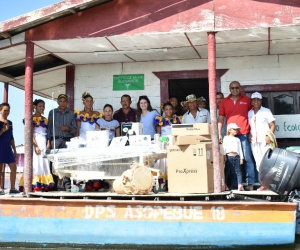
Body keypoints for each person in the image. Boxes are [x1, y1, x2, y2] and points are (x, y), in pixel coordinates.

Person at [218, 81, 256, 191]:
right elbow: (221, 118)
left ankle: (250, 183)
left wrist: (251, 133)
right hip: (230, 136)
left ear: (240, 88)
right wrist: (219, 133)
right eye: (232, 88)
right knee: (231, 160)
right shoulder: (224, 102)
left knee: (247, 159)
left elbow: (252, 117)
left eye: (237, 87)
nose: (235, 89)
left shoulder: (247, 100)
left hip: (244, 134)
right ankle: (235, 183)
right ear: (229, 89)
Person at [19, 99, 55, 192]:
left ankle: (44, 185)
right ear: (35, 107)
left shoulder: (45, 119)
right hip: (36, 142)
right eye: (40, 106)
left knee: (44, 163)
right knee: (36, 163)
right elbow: (30, 134)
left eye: (43, 106)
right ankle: (35, 185)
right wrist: (36, 146)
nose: (42, 108)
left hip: (43, 142)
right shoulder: (32, 118)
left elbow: (48, 133)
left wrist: (48, 142)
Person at [47, 94, 77, 190]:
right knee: (54, 162)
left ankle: (67, 185)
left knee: (67, 162)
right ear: (58, 102)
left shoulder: (71, 114)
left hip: (67, 140)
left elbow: (74, 129)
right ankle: (54, 185)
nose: (62, 103)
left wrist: (67, 128)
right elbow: (49, 128)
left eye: (64, 101)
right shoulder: (52, 112)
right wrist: (48, 141)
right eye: (61, 101)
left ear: (67, 102)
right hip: (55, 140)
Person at [248, 92, 276, 191]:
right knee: (258, 163)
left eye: (258, 99)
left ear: (261, 101)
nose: (256, 101)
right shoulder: (249, 112)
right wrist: (249, 134)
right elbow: (249, 126)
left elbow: (272, 125)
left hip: (265, 141)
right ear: (251, 101)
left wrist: (269, 135)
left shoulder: (266, 111)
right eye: (254, 99)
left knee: (267, 163)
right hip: (254, 142)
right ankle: (264, 184)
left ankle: (270, 184)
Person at [0, 103, 19, 195]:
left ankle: (12, 188)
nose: (7, 112)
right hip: (0, 147)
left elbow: (11, 137)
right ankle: (0, 189)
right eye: (5, 110)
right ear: (0, 111)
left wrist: (15, 150)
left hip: (8, 147)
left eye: (8, 110)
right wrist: (3, 130)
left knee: (14, 167)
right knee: (0, 169)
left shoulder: (10, 122)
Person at [223, 123, 244, 191]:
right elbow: (224, 147)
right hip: (229, 156)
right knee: (227, 171)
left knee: (238, 171)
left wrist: (241, 158)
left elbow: (240, 149)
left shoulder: (237, 139)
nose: (236, 131)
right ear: (229, 130)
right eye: (234, 129)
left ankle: (240, 184)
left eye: (237, 130)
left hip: (236, 156)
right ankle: (225, 184)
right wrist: (224, 155)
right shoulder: (226, 138)